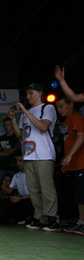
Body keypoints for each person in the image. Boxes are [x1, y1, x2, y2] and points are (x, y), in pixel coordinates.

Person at [8, 83, 60, 231]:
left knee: (47, 188)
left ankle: (52, 219)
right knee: (34, 189)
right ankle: (39, 218)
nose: (28, 96)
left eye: (31, 93)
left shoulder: (47, 108)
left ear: (39, 93)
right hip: (28, 155)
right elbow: (20, 135)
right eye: (27, 94)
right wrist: (13, 119)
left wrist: (26, 111)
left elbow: (43, 127)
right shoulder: (26, 113)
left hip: (43, 154)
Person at [55, 95, 84, 234]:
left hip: (81, 162)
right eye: (57, 108)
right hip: (72, 164)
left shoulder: (77, 117)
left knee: (82, 193)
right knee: (78, 195)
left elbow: (81, 136)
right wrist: (66, 162)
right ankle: (81, 221)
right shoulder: (65, 121)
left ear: (71, 104)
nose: (59, 110)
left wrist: (70, 156)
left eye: (61, 106)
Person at [0, 155, 34, 224]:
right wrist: (4, 188)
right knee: (4, 202)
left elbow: (37, 194)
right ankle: (21, 218)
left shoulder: (32, 174)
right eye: (17, 161)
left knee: (26, 202)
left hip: (31, 200)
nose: (18, 163)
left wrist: (21, 198)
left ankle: (32, 218)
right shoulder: (16, 175)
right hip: (21, 199)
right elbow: (9, 191)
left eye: (20, 161)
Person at [0, 118, 21, 186]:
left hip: (14, 168)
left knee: (14, 187)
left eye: (8, 125)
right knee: (0, 187)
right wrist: (12, 151)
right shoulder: (1, 138)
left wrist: (3, 150)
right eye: (5, 125)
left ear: (12, 125)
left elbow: (17, 149)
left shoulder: (17, 137)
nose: (6, 127)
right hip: (2, 167)